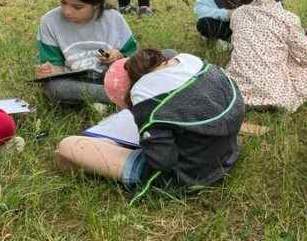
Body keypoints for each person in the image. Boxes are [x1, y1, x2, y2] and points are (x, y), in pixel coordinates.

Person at [55, 49, 244, 195]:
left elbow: (163, 162)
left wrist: (148, 140)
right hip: (227, 152)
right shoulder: (202, 69)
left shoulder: (151, 104)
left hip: (189, 174)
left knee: (68, 147)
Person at [35, 0, 138, 106]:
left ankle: (106, 98)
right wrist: (49, 71)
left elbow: (133, 60)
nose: (67, 11)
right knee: (54, 88)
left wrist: (118, 56)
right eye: (63, 2)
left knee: (168, 55)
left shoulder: (114, 19)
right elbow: (56, 67)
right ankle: (122, 97)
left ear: (96, 5)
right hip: (75, 83)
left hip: (113, 78)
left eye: (77, 7)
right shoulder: (49, 22)